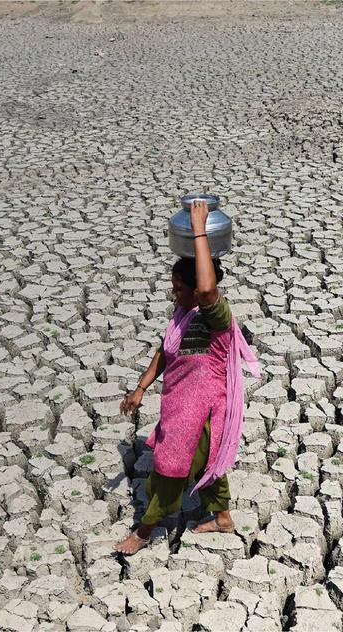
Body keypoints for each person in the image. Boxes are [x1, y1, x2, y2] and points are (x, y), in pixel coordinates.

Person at [114, 199, 236, 556]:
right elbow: (164, 353)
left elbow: (209, 290)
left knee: (170, 470)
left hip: (201, 409)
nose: (174, 293)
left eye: (180, 288)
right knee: (205, 461)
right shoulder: (182, 314)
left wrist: (199, 230)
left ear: (196, 289)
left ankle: (144, 530)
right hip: (181, 406)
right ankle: (223, 516)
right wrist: (140, 389)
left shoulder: (214, 317)